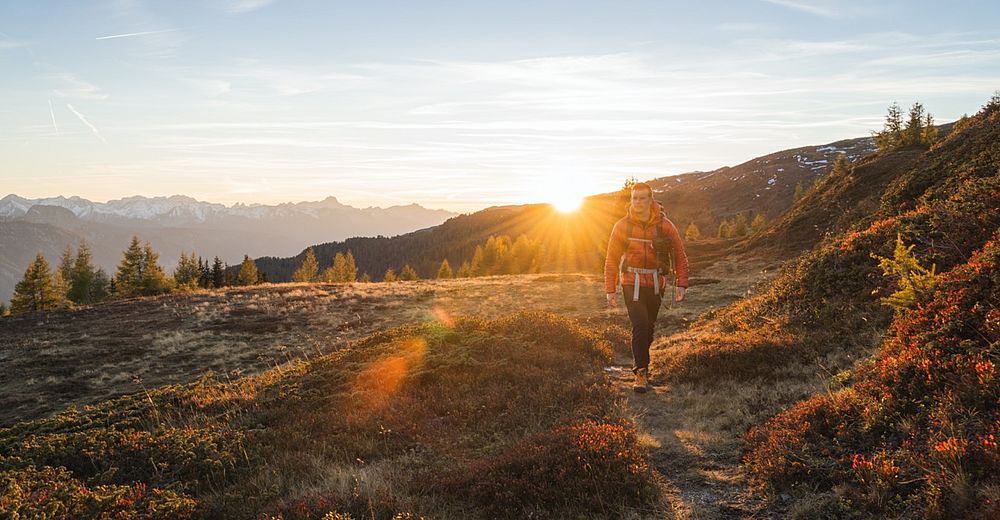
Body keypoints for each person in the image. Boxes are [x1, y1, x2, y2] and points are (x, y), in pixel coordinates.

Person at [604, 182, 689, 393]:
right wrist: (610, 289)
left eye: (643, 198)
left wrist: (682, 284)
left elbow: (680, 254)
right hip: (630, 282)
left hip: (656, 283)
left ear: (650, 200)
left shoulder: (665, 225)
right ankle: (640, 373)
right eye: (635, 198)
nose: (638, 202)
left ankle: (644, 363)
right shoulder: (622, 226)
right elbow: (611, 259)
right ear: (631, 200)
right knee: (640, 324)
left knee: (648, 328)